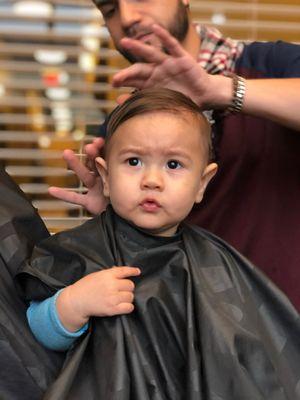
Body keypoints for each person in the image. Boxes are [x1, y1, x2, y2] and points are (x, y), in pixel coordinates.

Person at [17, 89, 300, 399]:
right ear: (106, 176)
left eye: (174, 165)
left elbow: (250, 359)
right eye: (134, 161)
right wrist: (74, 303)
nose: (152, 179)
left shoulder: (217, 264)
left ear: (201, 184)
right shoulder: (82, 252)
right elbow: (35, 336)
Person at [49, 0, 300, 311]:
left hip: (282, 334)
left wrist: (220, 91)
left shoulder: (270, 66)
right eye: (110, 9)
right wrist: (117, 222)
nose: (127, 17)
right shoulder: (122, 130)